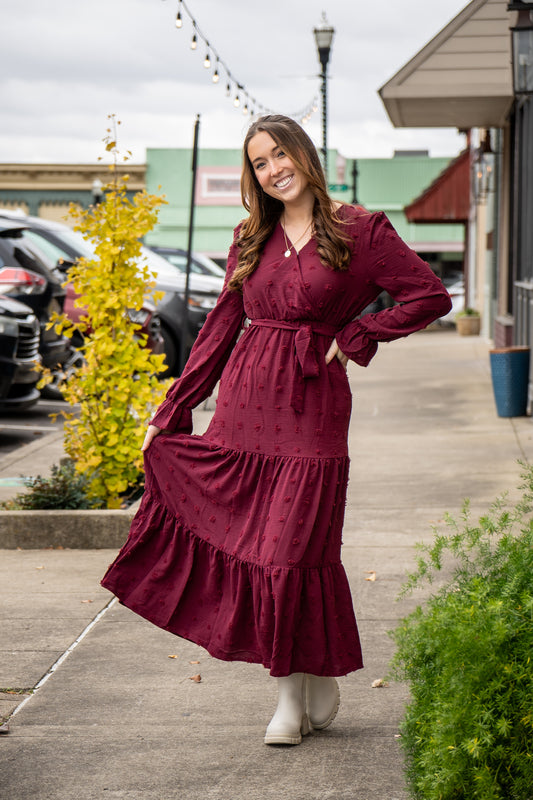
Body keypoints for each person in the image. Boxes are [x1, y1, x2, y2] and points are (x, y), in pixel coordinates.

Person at [101, 114, 451, 746]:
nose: (273, 169)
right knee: (263, 549)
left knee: (291, 551)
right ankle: (297, 686)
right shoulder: (250, 235)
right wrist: (171, 412)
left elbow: (427, 295)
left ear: (305, 155)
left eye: (280, 154)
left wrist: (356, 336)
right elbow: (217, 331)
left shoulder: (361, 230)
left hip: (312, 411)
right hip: (244, 407)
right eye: (260, 163)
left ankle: (299, 688)